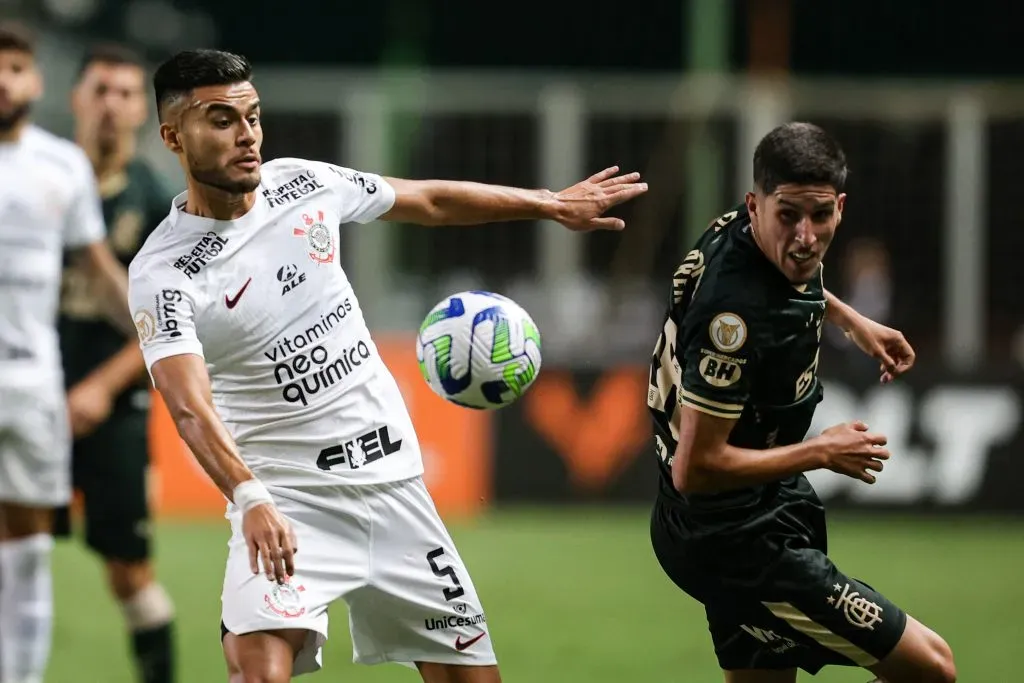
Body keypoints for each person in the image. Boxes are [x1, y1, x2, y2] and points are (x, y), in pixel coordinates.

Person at [127, 48, 647, 683]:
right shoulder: (164, 273)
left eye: (254, 116)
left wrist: (548, 204)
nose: (248, 136)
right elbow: (188, 406)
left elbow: (426, 200)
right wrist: (249, 495)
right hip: (288, 503)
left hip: (394, 489)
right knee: (256, 672)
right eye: (222, 120)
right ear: (173, 136)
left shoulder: (302, 185)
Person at [646, 122, 956, 683]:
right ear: (757, 205)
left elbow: (794, 279)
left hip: (756, 508)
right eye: (788, 215)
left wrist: (853, 321)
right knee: (932, 667)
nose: (806, 236)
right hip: (732, 538)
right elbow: (698, 467)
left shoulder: (741, 231)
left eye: (820, 215)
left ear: (840, 205)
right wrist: (820, 452)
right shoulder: (733, 320)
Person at [0, 22, 132, 683]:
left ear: (36, 80)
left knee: (25, 552)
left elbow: (99, 266)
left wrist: (156, 329)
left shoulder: (62, 165)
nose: (4, 79)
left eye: (16, 66)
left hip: (31, 386)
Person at [54, 43, 177, 683]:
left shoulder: (160, 203)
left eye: (126, 94)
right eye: (99, 89)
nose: (111, 105)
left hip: (114, 406)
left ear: (142, 111)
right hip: (23, 398)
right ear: (75, 98)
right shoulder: (35, 181)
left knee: (129, 571)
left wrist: (100, 388)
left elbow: (169, 327)